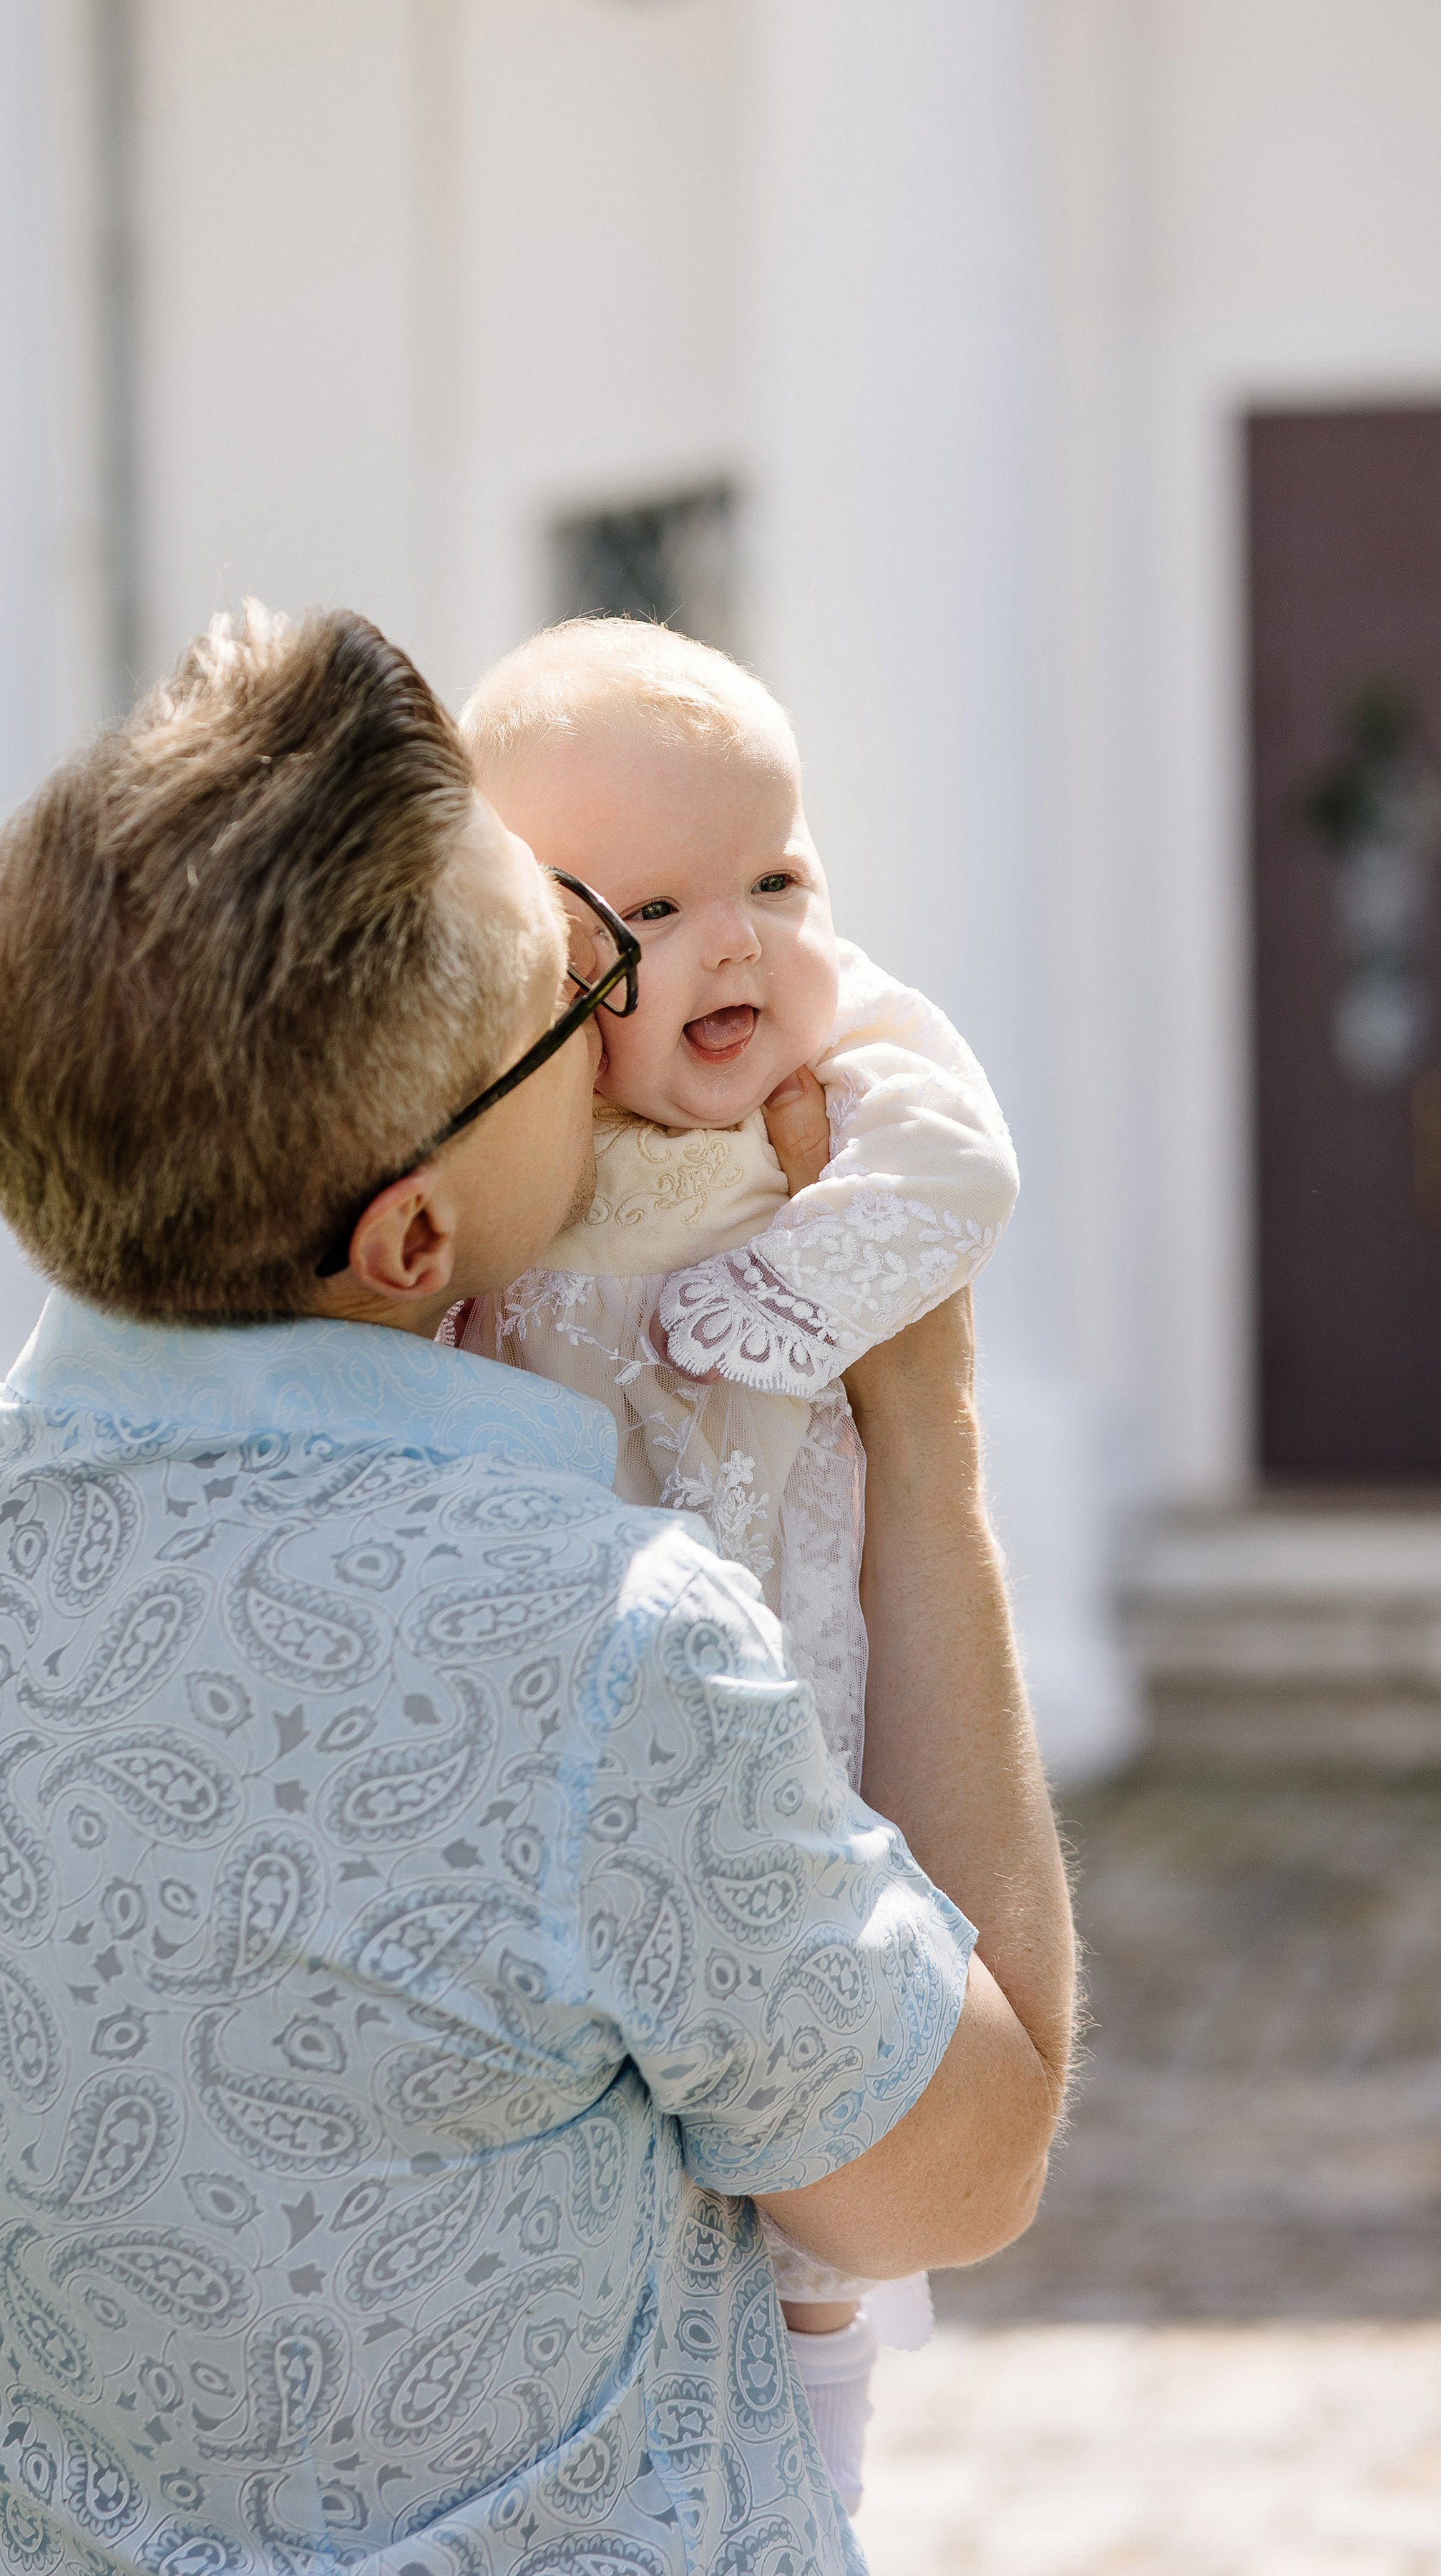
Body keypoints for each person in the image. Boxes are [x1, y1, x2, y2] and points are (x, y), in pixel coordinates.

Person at [0, 603, 1073, 2576]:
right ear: (414, 1233)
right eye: (567, 989)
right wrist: (926, 1429)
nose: (616, 1024)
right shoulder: (597, 1643)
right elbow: (958, 2175)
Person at [451, 618, 1020, 2507]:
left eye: (777, 880)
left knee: (821, 2038)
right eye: (660, 911)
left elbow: (956, 1173)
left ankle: (823, 2441)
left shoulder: (851, 1065)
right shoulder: (518, 1135)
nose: (741, 946)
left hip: (797, 1655)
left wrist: (797, 1290)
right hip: (588, 1673)